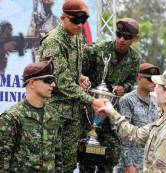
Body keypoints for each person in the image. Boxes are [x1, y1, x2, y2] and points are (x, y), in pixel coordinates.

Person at [39, 0, 106, 172]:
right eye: (76, 20)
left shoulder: (75, 36)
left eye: (83, 20)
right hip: (54, 113)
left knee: (68, 164)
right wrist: (91, 101)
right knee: (51, 164)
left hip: (72, 112)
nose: (80, 24)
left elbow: (69, 72)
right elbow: (62, 81)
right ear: (63, 18)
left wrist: (80, 77)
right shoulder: (53, 42)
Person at [97, 69, 166, 172]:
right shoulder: (165, 118)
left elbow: (159, 170)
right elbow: (136, 134)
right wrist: (112, 112)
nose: (155, 89)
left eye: (158, 85)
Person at [81, 17, 141, 172]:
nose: (121, 40)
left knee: (111, 154)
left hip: (111, 113)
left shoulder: (135, 58)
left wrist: (124, 88)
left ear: (135, 39)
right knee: (87, 156)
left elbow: (132, 81)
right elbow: (80, 70)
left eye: (126, 37)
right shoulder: (98, 49)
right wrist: (83, 79)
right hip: (91, 112)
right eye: (118, 34)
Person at [0, 60, 57, 172]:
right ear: (32, 83)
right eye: (48, 80)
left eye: (53, 80)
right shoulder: (11, 117)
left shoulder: (53, 115)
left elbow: (57, 156)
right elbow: (2, 162)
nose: (53, 84)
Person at [116, 63, 160, 173]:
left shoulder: (156, 101)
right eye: (150, 79)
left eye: (156, 79)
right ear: (139, 79)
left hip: (150, 163)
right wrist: (128, 164)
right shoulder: (127, 100)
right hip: (132, 164)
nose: (154, 83)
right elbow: (122, 135)